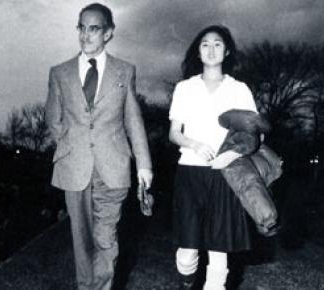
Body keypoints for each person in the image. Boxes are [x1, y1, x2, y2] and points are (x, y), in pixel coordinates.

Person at [44, 3, 153, 289]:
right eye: (81, 27)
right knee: (83, 244)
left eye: (93, 28)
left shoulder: (124, 71)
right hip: (74, 167)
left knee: (106, 239)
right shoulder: (59, 73)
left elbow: (133, 119)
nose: (85, 35)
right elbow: (52, 119)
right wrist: (72, 147)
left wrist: (144, 165)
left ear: (108, 33)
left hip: (113, 167)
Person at [167, 25, 258, 290]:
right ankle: (187, 278)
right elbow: (174, 133)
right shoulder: (185, 88)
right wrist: (194, 144)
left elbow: (254, 136)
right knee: (187, 254)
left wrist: (230, 155)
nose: (211, 49)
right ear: (198, 51)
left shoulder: (239, 89)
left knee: (219, 255)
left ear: (227, 50)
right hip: (190, 172)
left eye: (217, 44)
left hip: (225, 174)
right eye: (205, 44)